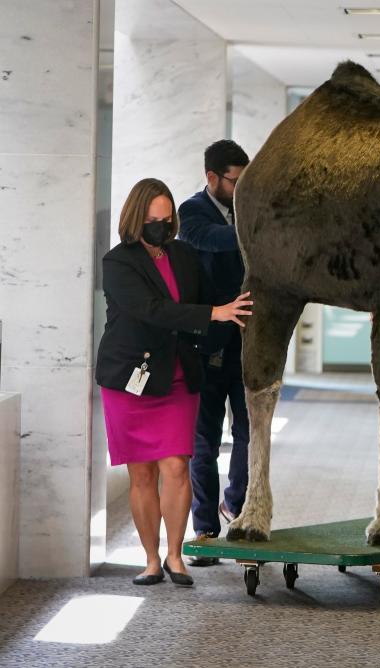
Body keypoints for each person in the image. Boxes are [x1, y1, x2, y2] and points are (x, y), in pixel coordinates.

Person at [96, 178, 253, 586]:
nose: (162, 228)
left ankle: (175, 556)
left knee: (176, 465)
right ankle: (150, 560)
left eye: (168, 221)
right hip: (130, 379)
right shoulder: (117, 263)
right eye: (153, 221)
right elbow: (152, 310)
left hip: (178, 377)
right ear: (136, 219)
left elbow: (208, 295)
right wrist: (211, 314)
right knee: (142, 474)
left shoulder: (183, 255)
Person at [177, 139, 250, 565]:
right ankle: (204, 528)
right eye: (235, 182)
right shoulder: (191, 212)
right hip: (205, 345)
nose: (241, 190)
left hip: (246, 342)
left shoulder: (244, 209)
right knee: (204, 442)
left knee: (248, 433)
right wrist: (258, 225)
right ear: (211, 178)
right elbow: (213, 240)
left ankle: (236, 506)